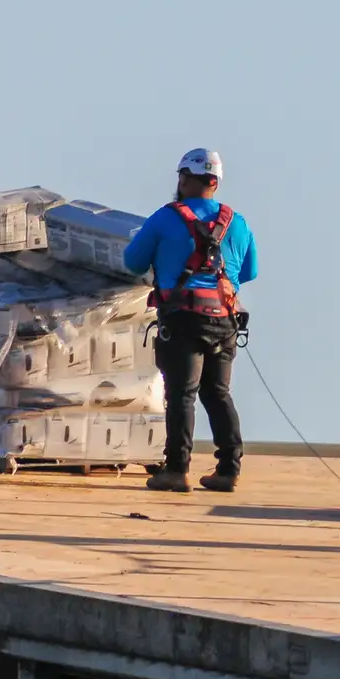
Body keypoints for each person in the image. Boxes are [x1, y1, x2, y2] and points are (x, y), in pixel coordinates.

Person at [122, 149, 259, 493]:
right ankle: (229, 469)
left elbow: (133, 263)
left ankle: (177, 469)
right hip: (225, 321)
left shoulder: (164, 219)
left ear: (184, 179)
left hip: (182, 318)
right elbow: (249, 272)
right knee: (218, 393)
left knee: (182, 394)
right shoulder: (237, 223)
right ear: (215, 182)